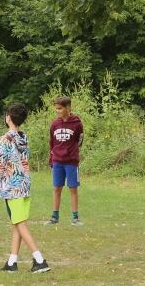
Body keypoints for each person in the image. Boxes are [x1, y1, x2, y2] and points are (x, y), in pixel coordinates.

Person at [0, 103, 51, 274]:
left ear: (8, 117)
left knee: (19, 223)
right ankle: (12, 262)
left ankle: (39, 260)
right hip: (24, 185)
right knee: (17, 223)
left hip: (12, 188)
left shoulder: (4, 140)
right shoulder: (24, 137)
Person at [45, 96, 85, 226]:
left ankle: (75, 217)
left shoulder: (77, 123)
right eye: (56, 109)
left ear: (68, 108)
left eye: (60, 108)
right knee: (57, 188)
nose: (58, 111)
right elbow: (52, 143)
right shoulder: (54, 124)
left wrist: (72, 152)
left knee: (73, 189)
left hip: (71, 162)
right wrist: (52, 159)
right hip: (57, 161)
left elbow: (80, 140)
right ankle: (54, 217)